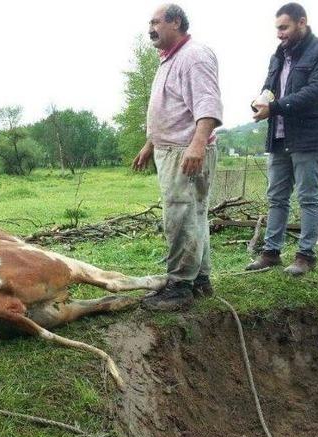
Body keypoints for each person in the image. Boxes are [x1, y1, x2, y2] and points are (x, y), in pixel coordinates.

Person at [132, 4, 223, 311]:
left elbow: (207, 104)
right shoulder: (170, 59)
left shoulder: (194, 55)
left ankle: (179, 286)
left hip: (185, 150)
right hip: (172, 148)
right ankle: (200, 280)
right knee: (193, 214)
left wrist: (197, 144)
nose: (150, 28)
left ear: (175, 22)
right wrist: (149, 143)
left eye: (156, 22)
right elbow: (169, 110)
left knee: (181, 215)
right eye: (150, 23)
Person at [246, 2, 318, 276]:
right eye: (277, 28)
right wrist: (261, 99)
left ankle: (305, 256)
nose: (280, 34)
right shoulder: (277, 56)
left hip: (309, 139)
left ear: (302, 22)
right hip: (278, 137)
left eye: (284, 27)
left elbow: (317, 92)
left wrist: (273, 108)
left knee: (308, 198)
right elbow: (269, 87)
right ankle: (270, 253)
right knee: (276, 197)